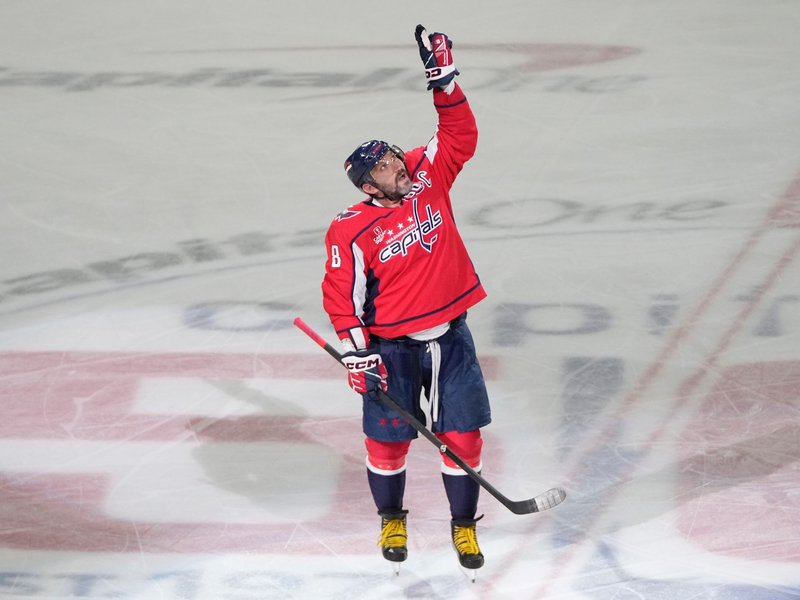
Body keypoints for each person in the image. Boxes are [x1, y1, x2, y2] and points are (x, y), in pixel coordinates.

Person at [321, 25, 491, 574]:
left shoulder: (427, 176)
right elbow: (340, 299)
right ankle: (391, 516)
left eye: (396, 156)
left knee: (461, 439)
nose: (399, 165)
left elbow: (458, 134)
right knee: (389, 445)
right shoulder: (349, 229)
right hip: (390, 349)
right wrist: (355, 354)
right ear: (368, 187)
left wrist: (442, 79)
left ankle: (463, 528)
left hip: (450, 336)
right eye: (386, 167)